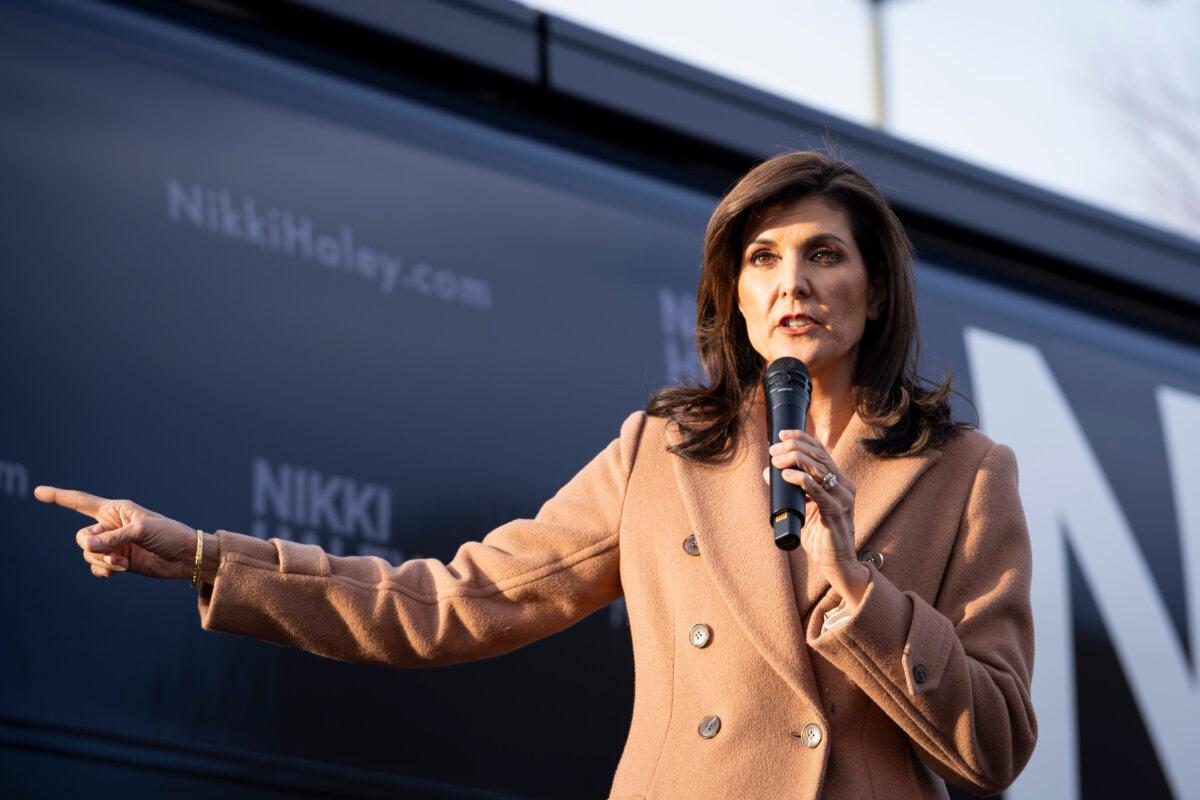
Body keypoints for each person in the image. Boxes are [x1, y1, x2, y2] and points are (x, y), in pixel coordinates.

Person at [37, 149, 1037, 799]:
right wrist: (211, 555)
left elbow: (994, 744)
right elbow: (454, 599)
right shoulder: (664, 451)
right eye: (763, 259)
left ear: (874, 289)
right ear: (733, 298)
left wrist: (858, 587)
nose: (794, 283)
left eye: (825, 255)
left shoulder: (966, 473)